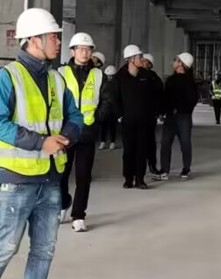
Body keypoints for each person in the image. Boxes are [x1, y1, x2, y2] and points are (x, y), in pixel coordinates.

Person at [0, 8, 83, 279]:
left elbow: (75, 116)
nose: (58, 42)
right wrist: (40, 142)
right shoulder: (8, 77)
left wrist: (68, 136)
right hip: (15, 180)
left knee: (43, 250)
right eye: (53, 36)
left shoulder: (57, 79)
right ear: (34, 40)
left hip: (50, 180)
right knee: (5, 248)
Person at [58, 32, 110, 232]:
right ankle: (63, 203)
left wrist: (98, 118)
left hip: (87, 131)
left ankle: (79, 215)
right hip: (65, 132)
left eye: (88, 49)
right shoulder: (60, 73)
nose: (85, 52)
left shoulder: (98, 75)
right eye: (81, 49)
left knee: (83, 176)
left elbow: (107, 100)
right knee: (61, 174)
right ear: (72, 51)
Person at [111, 44, 160, 189]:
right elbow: (114, 98)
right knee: (128, 150)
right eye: (139, 57)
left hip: (144, 120)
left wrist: (154, 113)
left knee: (141, 150)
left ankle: (140, 179)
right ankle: (128, 178)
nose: (141, 59)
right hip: (128, 120)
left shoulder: (147, 76)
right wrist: (119, 115)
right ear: (130, 59)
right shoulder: (119, 77)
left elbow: (154, 96)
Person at [157, 53, 197, 181]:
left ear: (181, 64)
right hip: (170, 117)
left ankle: (186, 169)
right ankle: (164, 170)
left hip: (183, 117)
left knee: (185, 143)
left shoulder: (189, 82)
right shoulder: (170, 80)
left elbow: (192, 100)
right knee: (165, 143)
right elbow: (165, 98)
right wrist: (162, 112)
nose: (173, 62)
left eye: (176, 60)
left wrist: (180, 109)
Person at [141, 53, 163, 176]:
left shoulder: (154, 78)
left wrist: (159, 112)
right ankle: (138, 167)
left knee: (150, 142)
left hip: (149, 115)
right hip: (137, 114)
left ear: (150, 64)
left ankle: (152, 165)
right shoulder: (134, 75)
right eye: (142, 60)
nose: (143, 63)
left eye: (145, 61)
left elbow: (160, 95)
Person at [99, 65, 118, 150]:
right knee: (103, 125)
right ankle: (103, 141)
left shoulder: (116, 84)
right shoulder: (103, 83)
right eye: (108, 75)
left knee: (112, 125)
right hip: (104, 107)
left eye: (111, 76)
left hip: (113, 107)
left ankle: (112, 142)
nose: (110, 77)